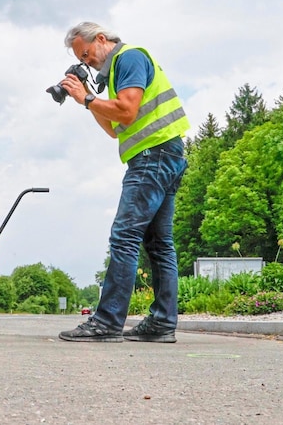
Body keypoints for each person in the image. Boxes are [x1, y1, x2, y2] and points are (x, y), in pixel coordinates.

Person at [56, 22, 190, 343]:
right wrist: (86, 100)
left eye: (87, 54)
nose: (88, 62)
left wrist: (88, 99)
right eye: (82, 59)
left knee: (124, 236)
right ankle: (161, 323)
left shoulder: (128, 59)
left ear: (101, 39)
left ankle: (107, 321)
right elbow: (115, 128)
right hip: (165, 155)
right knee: (159, 244)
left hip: (152, 156)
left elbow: (127, 112)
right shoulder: (118, 71)